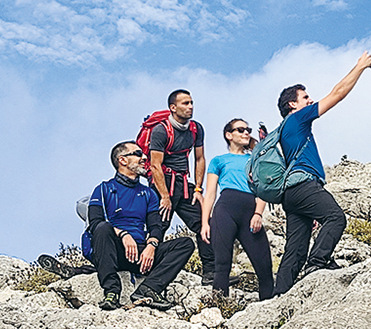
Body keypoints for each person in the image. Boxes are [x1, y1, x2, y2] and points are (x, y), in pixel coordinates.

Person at [272, 51, 371, 296]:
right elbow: (337, 94)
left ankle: (278, 296)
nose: (310, 100)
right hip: (304, 184)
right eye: (305, 97)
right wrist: (359, 67)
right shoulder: (298, 118)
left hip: (291, 193)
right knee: (336, 218)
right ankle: (317, 263)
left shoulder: (284, 128)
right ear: (292, 104)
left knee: (295, 248)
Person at [85, 141, 194, 310]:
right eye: (137, 154)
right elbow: (95, 222)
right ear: (122, 160)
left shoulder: (148, 193)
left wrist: (151, 245)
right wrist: (123, 235)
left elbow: (156, 226)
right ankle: (112, 292)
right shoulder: (103, 189)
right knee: (102, 228)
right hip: (114, 251)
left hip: (141, 255)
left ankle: (148, 289)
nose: (144, 158)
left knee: (185, 244)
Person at [147, 89, 216, 285]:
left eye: (191, 102)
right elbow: (154, 165)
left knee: (205, 222)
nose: (191, 107)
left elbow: (200, 158)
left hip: (184, 185)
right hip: (162, 185)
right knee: (157, 228)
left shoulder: (196, 129)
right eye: (185, 103)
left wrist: (198, 189)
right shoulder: (161, 130)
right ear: (173, 107)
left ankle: (211, 273)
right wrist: (164, 197)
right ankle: (148, 269)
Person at [200, 119, 274, 300]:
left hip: (250, 210)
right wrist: (205, 223)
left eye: (248, 130)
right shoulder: (218, 161)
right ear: (229, 135)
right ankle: (218, 310)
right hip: (225, 210)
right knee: (222, 264)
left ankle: (269, 307)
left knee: (264, 266)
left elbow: (263, 189)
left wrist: (258, 213)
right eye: (240, 130)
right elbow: (210, 194)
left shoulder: (255, 159)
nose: (246, 133)